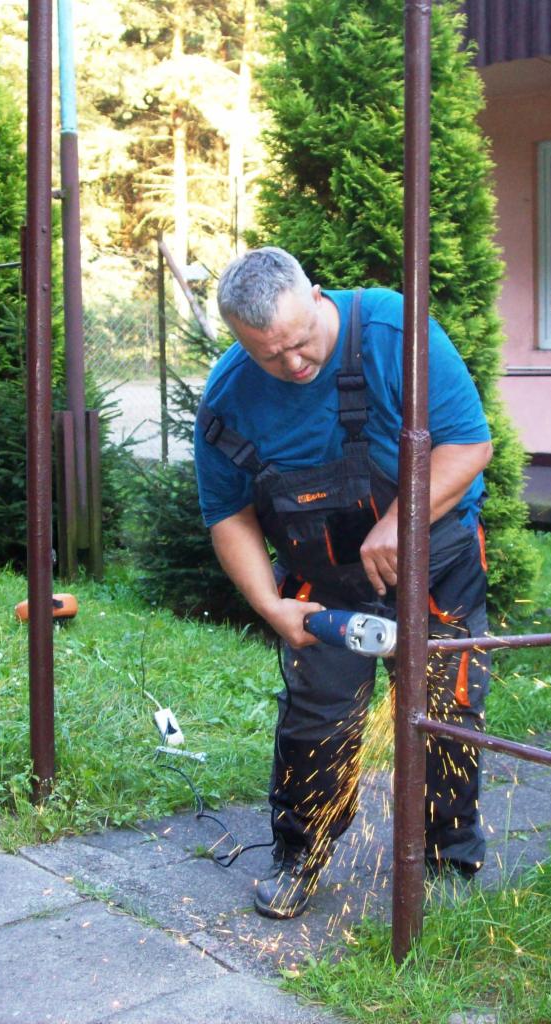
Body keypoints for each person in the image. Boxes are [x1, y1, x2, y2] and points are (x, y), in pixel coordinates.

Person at [194, 247, 493, 920]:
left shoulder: (392, 331)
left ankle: (449, 861)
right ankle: (298, 856)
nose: (294, 364)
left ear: (317, 296)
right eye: (270, 355)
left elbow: (470, 445)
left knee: (448, 708)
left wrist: (400, 521)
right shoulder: (228, 398)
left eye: (301, 342)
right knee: (317, 719)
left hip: (435, 559)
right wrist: (270, 604)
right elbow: (228, 515)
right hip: (323, 579)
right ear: (240, 341)